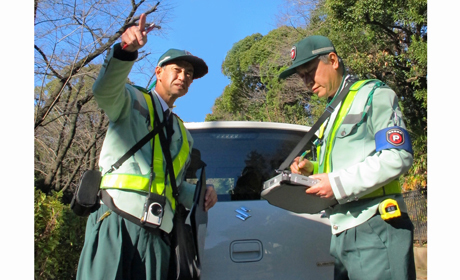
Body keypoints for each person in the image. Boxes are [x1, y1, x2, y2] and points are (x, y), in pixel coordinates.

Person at [76, 13, 217, 280]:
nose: (184, 77)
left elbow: (173, 185)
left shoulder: (184, 135)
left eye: (189, 74)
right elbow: (104, 91)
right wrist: (124, 51)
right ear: (159, 71)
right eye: (177, 69)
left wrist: (201, 193)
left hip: (158, 237)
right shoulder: (131, 99)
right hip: (116, 219)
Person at [280, 35, 416, 280]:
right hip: (341, 233)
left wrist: (336, 183)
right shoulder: (331, 114)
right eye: (302, 76)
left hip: (375, 225)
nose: (307, 81)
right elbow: (341, 164)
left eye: (310, 71)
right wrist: (310, 170)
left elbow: (398, 156)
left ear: (332, 60)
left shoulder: (373, 94)